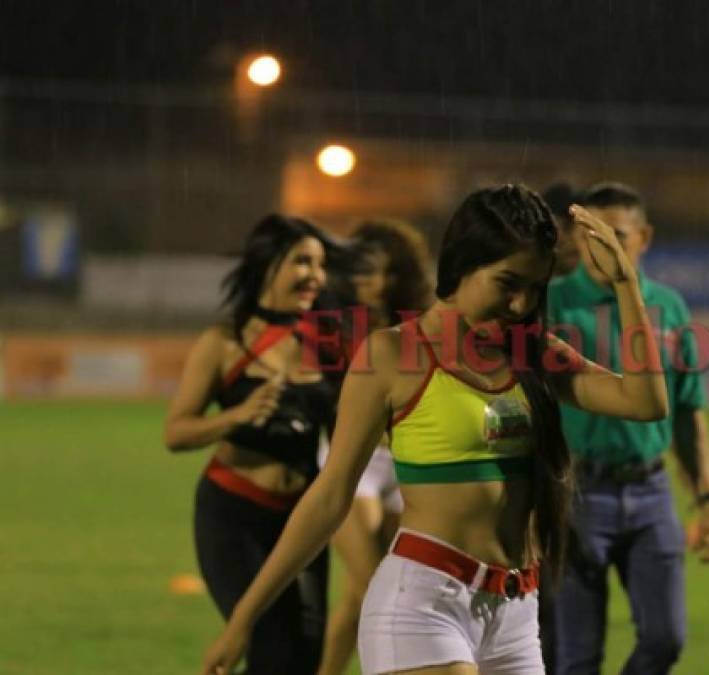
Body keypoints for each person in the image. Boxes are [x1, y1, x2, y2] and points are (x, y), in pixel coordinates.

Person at [200, 183, 670, 675]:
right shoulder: (391, 355)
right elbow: (329, 496)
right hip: (424, 608)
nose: (519, 304)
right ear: (463, 263)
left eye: (534, 289)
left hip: (514, 616)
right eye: (507, 283)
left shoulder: (533, 351)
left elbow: (645, 401)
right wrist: (244, 621)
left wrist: (625, 286)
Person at [547, 182, 709, 675]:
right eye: (592, 235)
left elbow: (689, 411)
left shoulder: (668, 306)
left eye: (617, 236)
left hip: (652, 491)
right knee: (575, 658)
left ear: (644, 237)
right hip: (575, 492)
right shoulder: (552, 302)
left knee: (666, 639)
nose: (603, 248)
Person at [164, 214, 350, 675]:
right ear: (268, 265)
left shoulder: (327, 344)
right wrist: (236, 416)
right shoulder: (225, 342)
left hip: (301, 521)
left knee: (306, 655)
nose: (316, 276)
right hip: (234, 516)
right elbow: (176, 432)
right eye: (302, 262)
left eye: (320, 264)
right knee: (269, 648)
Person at [319, 218, 436, 675]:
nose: (369, 282)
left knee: (356, 594)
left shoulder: (423, 328)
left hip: (405, 466)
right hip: (352, 463)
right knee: (377, 584)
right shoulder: (334, 326)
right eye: (362, 271)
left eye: (382, 272)